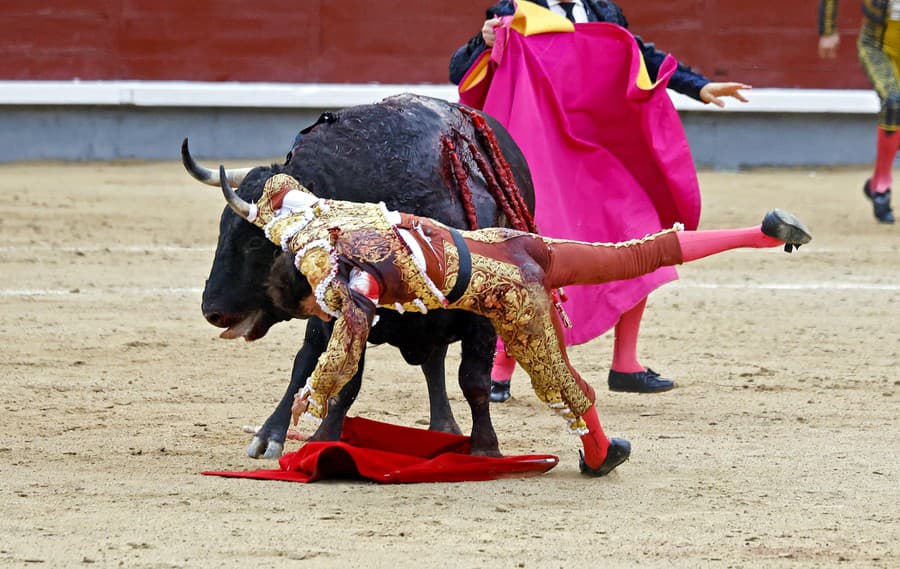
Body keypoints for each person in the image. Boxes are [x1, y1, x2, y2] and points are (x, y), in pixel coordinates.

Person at [218, 171, 812, 477]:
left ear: (305, 297)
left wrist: (310, 395)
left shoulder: (344, 283)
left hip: (508, 288)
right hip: (506, 243)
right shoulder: (316, 221)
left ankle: (600, 450)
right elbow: (282, 194)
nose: (319, 316)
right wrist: (264, 205)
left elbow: (344, 352)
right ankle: (757, 235)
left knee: (554, 377)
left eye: (310, 313)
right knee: (633, 254)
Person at [450, 1, 753, 402]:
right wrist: (483, 42)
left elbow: (641, 56)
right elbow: (460, 71)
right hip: (545, 150)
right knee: (531, 247)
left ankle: (626, 364)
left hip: (601, 148)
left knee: (640, 232)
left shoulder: (603, 9)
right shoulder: (512, 9)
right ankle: (500, 369)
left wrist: (698, 86)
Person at [818, 0, 897, 224]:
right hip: (878, 46)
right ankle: (881, 185)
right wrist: (828, 29)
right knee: (893, 101)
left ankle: (875, 185)